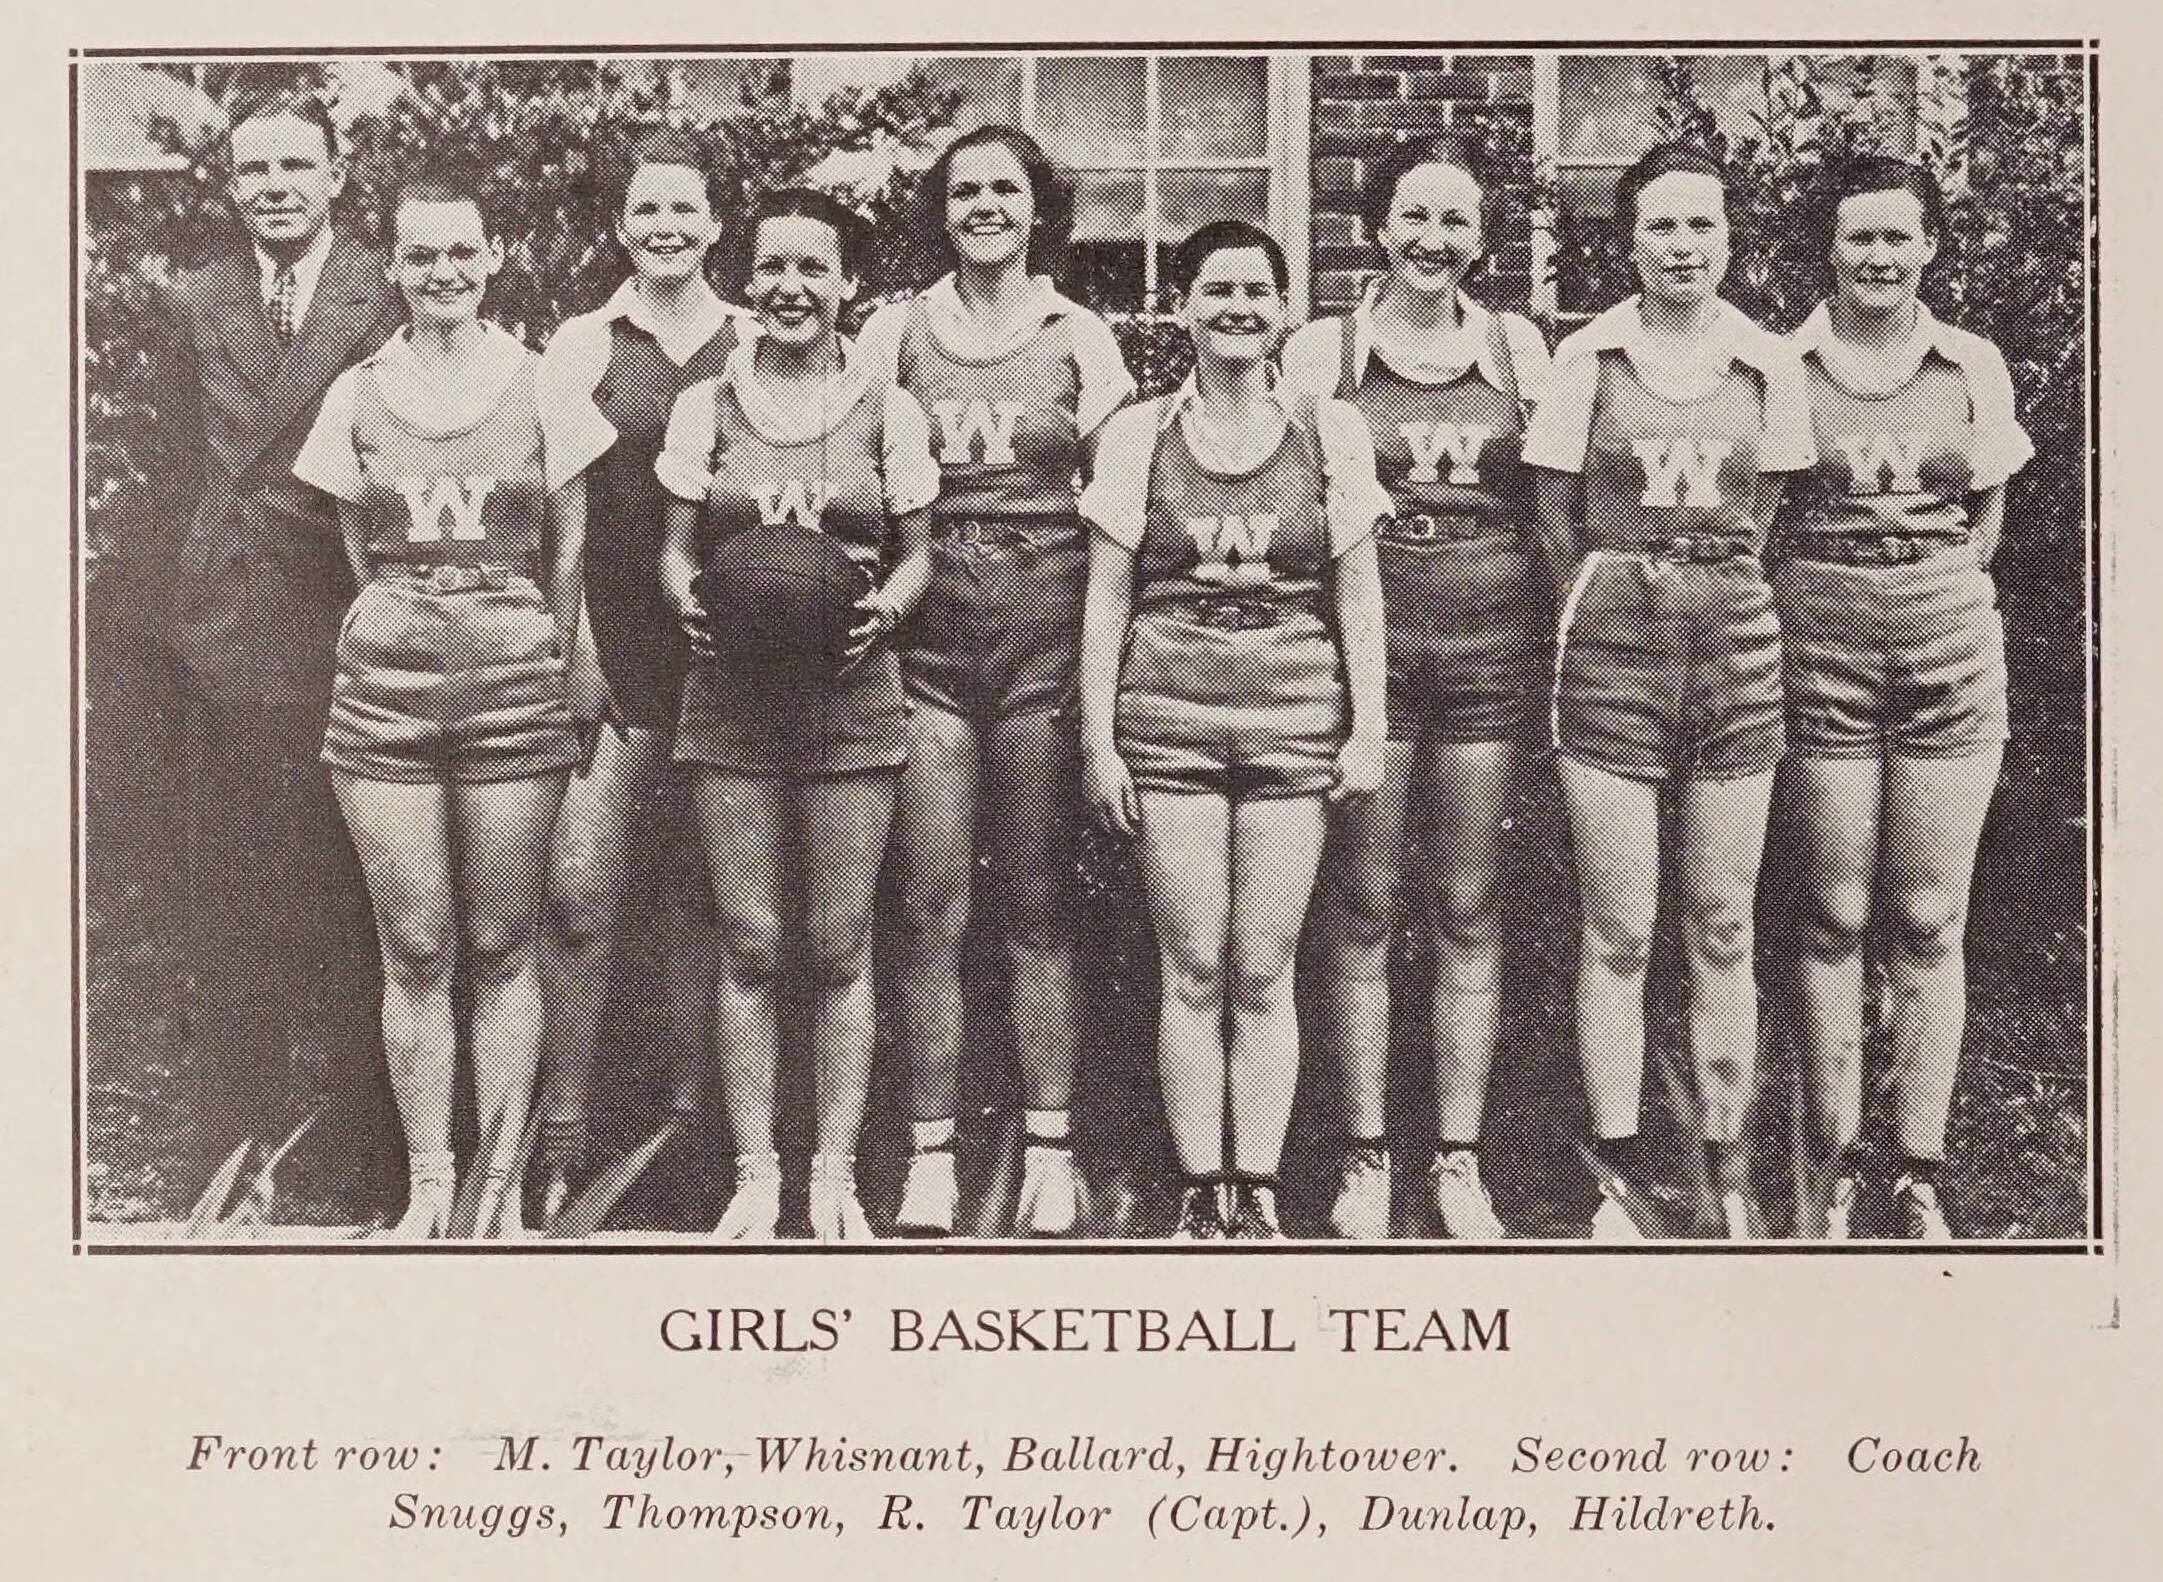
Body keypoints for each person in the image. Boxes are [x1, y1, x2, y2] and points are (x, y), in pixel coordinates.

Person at [1520, 142, 1816, 1240]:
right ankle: (1621, 1181)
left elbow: (1767, 516)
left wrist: (1701, 587)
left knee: (1723, 921)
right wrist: (1618, 600)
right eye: (1661, 227)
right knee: (1620, 927)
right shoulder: (1587, 358)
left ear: (1730, 235)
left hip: (1734, 638)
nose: (1683, 246)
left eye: (1702, 225)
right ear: (1628, 241)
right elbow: (1556, 517)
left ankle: (1727, 1171)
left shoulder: (1766, 363)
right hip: (1612, 640)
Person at [293, 166, 589, 1238]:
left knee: (506, 940)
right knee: (415, 945)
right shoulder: (358, 389)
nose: (444, 271)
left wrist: (545, 651)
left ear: (495, 255)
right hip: (390, 677)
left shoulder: (543, 377)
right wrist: (408, 626)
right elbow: (355, 551)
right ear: (397, 266)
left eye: (463, 250)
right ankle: (431, 1186)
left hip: (514, 666)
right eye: (421, 255)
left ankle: (497, 1197)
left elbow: (571, 543)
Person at [1079, 220, 1390, 1240]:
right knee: (1194, 965)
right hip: (1169, 713)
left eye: (1257, 291)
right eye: (1217, 290)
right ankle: (1198, 1189)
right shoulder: (1138, 435)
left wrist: (1365, 726)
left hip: (1293, 710)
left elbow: (1359, 594)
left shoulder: (1327, 429)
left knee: (1264, 963)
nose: (1238, 308)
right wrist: (1098, 740)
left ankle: (1255, 1188)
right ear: (1184, 308)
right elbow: (1107, 600)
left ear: (1284, 307)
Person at [855, 127, 1135, 1237]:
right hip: (928, 641)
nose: (983, 206)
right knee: (928, 906)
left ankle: (1050, 1150)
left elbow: (1122, 503)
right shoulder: (893, 332)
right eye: (964, 190)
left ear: (1037, 209)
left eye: (1003, 190)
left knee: (1037, 904)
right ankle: (931, 1152)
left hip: (1042, 636)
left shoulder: (1081, 336)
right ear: (943, 210)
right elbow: (848, 468)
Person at [132, 94, 404, 1205]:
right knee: (233, 900)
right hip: (231, 631)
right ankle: (229, 1155)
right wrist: (168, 629)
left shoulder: (387, 293)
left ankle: (364, 1155)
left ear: (339, 175)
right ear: (231, 186)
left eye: (299, 164)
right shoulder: (198, 302)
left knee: (360, 898)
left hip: (351, 618)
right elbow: (165, 474)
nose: (277, 185)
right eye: (256, 170)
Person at [1282, 134, 1552, 1240]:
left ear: (1481, 239)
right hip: (1372, 654)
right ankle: (1362, 1156)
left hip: (1490, 646)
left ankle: (1459, 1157)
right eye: (1416, 217)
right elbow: (1285, 506)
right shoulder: (1324, 352)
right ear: (1378, 227)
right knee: (1361, 900)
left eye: (1456, 222)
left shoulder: (1519, 348)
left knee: (1470, 902)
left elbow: (1553, 505)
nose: (1434, 240)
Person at [658, 187, 938, 1242]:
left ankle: (831, 1179)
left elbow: (917, 553)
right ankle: (754, 1175)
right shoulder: (708, 406)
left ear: (848, 284)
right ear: (745, 279)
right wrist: (686, 599)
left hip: (850, 687)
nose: (790, 288)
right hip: (732, 688)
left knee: (838, 942)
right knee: (751, 939)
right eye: (771, 267)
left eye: (812, 269)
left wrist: (885, 613)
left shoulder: (887, 407)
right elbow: (676, 547)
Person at [1773, 157, 2032, 1241]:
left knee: (1929, 915)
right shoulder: (1780, 364)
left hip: (1943, 639)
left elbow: (1987, 525)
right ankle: (1834, 1161)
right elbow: (1763, 513)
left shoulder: (1971, 363)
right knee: (1832, 912)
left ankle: (1917, 1165)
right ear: (1828, 249)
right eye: (1859, 239)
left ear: (1931, 246)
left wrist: (1928, 596)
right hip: (1820, 636)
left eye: (1899, 239)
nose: (1880, 258)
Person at [532, 131, 754, 1221]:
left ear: (717, 225)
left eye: (686, 210)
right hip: (612, 646)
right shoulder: (582, 344)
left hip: (731, 656)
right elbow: (561, 527)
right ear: (621, 227)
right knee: (578, 902)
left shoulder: (759, 337)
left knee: (705, 902)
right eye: (646, 211)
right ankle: (561, 1145)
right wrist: (574, 655)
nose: (666, 227)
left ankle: (690, 1140)